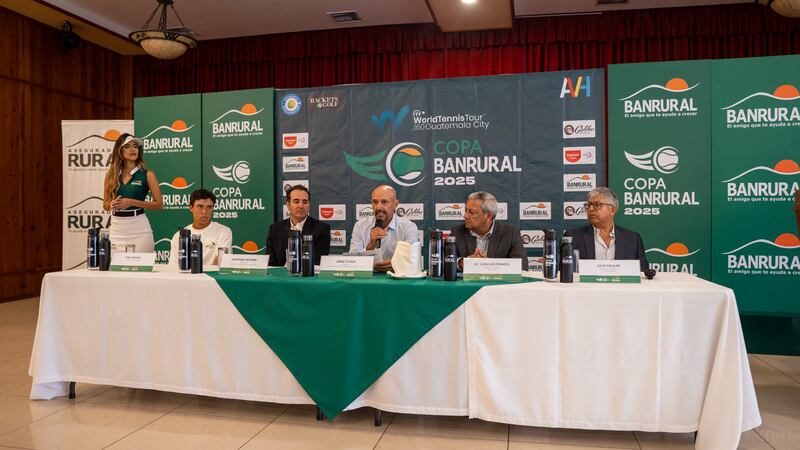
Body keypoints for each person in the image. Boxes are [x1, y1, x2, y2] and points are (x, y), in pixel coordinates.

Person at [103, 133, 162, 253]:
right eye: (127, 146)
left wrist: (131, 202)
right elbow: (105, 204)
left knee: (141, 270)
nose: (132, 149)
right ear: (119, 150)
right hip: (116, 230)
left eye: (135, 146)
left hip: (139, 229)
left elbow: (159, 204)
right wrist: (112, 204)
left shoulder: (147, 174)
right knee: (115, 270)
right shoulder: (111, 175)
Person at [564, 187, 649, 271]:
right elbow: (563, 271)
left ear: (612, 210)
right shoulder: (573, 236)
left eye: (597, 205)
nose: (590, 209)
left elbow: (642, 272)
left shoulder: (633, 239)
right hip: (586, 285)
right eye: (589, 205)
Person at [450, 191, 528, 271]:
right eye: (466, 210)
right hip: (467, 283)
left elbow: (522, 266)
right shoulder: (457, 232)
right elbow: (444, 262)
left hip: (497, 283)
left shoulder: (510, 233)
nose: (465, 215)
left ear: (488, 215)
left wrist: (489, 264)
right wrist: (462, 263)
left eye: (471, 212)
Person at [350, 185, 419, 272]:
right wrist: (371, 245)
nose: (378, 207)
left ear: (395, 205)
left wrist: (395, 264)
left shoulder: (409, 227)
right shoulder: (360, 226)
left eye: (384, 202)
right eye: (375, 202)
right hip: (369, 278)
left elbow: (411, 259)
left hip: (396, 278)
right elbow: (352, 261)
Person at [266, 184, 330, 266]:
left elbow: (318, 263)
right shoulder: (275, 229)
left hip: (307, 277)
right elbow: (271, 264)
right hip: (280, 277)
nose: (301, 206)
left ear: (309, 205)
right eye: (296, 202)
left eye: (305, 202)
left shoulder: (322, 229)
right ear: (288, 205)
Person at [168, 189, 232, 266]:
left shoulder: (224, 231)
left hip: (213, 277)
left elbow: (222, 263)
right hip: (186, 277)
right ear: (191, 208)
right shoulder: (179, 236)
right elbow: (173, 267)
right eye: (200, 206)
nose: (204, 211)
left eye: (209, 207)